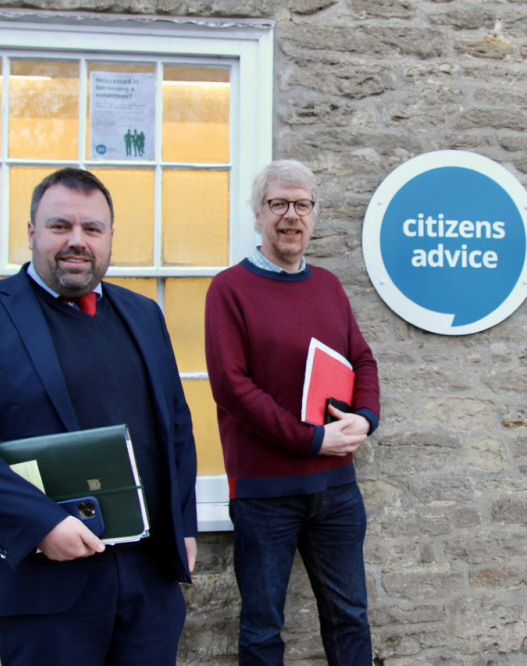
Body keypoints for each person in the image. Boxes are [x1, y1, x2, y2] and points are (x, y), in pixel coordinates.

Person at [0, 167, 198, 666]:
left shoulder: (144, 313)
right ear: (31, 233)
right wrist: (42, 524)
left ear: (109, 238)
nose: (76, 241)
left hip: (149, 576)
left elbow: (175, 426)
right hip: (46, 579)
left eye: (92, 229)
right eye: (59, 226)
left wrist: (186, 525)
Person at [204, 159, 381, 665]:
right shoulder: (229, 290)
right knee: (263, 631)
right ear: (258, 214)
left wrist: (365, 418)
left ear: (314, 214)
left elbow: (362, 359)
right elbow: (233, 389)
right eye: (278, 203)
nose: (291, 216)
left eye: (302, 205)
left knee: (350, 619)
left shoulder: (327, 286)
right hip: (264, 495)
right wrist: (312, 439)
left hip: (336, 491)